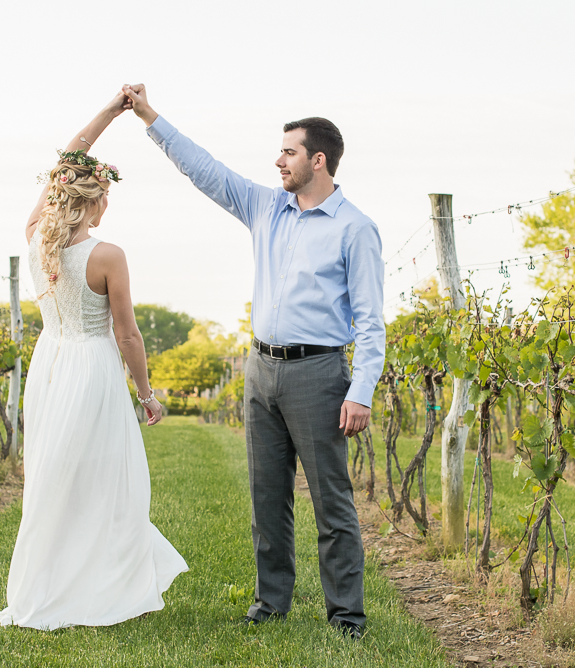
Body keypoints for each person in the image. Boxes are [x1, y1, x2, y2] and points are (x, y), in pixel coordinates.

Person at [123, 83, 385, 639]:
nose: (278, 159)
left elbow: (371, 320)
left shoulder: (355, 228)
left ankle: (346, 617)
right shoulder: (267, 206)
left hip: (319, 375)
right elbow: (207, 170)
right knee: (268, 499)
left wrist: (360, 389)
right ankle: (272, 602)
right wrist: (150, 116)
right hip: (260, 370)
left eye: (288, 151)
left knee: (331, 502)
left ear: (318, 160)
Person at [0, 91, 188, 631]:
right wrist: (147, 395)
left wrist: (107, 113)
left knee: (52, 479)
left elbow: (67, 157)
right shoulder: (107, 255)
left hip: (49, 364)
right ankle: (99, 586)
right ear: (96, 202)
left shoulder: (36, 240)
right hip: (93, 370)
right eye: (105, 197)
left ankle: (50, 585)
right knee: (106, 481)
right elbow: (126, 335)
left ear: (58, 196)